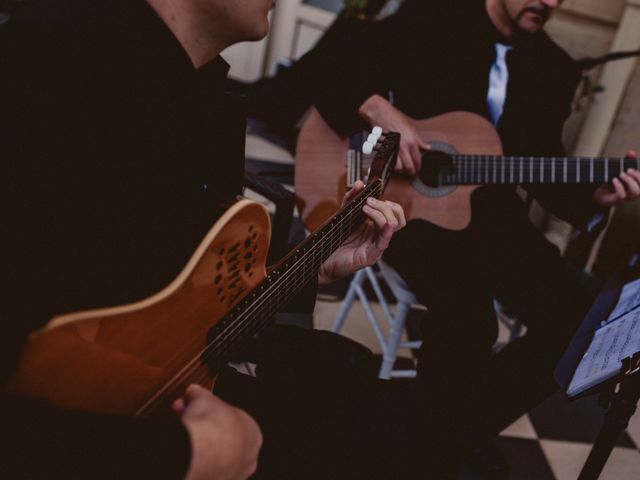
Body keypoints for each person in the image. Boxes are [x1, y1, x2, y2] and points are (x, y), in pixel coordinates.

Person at [1, 0, 408, 478]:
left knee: (364, 395)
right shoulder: (35, 72)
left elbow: (176, 307)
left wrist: (311, 266)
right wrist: (185, 455)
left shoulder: (199, 94)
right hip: (81, 439)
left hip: (160, 385)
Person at [308, 0, 640, 476]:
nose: (548, 1)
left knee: (576, 319)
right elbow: (334, 68)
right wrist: (380, 108)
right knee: (468, 320)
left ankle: (448, 433)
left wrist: (594, 196)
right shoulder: (433, 18)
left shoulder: (553, 67)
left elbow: (542, 162)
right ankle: (433, 446)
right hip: (406, 210)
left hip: (491, 216)